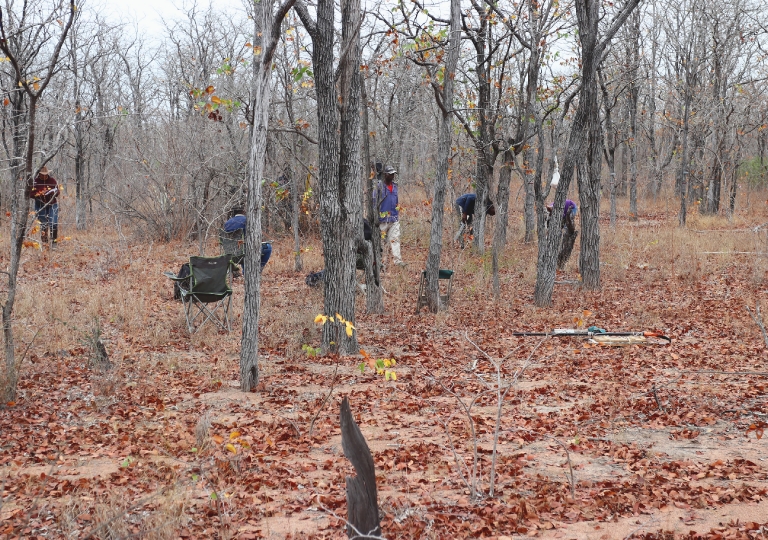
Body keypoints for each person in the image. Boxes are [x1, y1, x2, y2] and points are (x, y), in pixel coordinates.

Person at [373, 165, 405, 267]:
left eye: (393, 174)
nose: (392, 176)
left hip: (394, 218)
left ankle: (398, 261)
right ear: (385, 175)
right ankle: (382, 262)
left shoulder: (395, 187)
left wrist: (397, 212)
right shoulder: (379, 186)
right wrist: (376, 216)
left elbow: (396, 201)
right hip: (382, 220)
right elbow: (374, 202)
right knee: (382, 242)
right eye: (390, 174)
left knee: (395, 239)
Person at [28, 166, 59, 244]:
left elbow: (57, 191)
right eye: (42, 174)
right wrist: (39, 194)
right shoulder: (35, 181)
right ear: (39, 174)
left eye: (46, 174)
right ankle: (45, 243)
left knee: (53, 224)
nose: (44, 176)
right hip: (40, 205)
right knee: (43, 225)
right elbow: (31, 194)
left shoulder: (52, 180)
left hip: (52, 204)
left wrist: (53, 193)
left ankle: (54, 242)